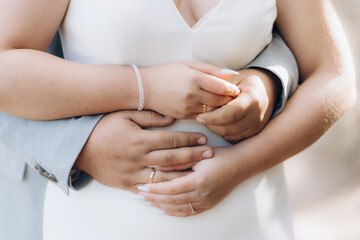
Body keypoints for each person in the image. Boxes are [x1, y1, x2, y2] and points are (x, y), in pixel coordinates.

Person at [0, 0, 356, 239]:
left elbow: (333, 74)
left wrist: (240, 165)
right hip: (103, 219)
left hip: (251, 216)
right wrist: (144, 87)